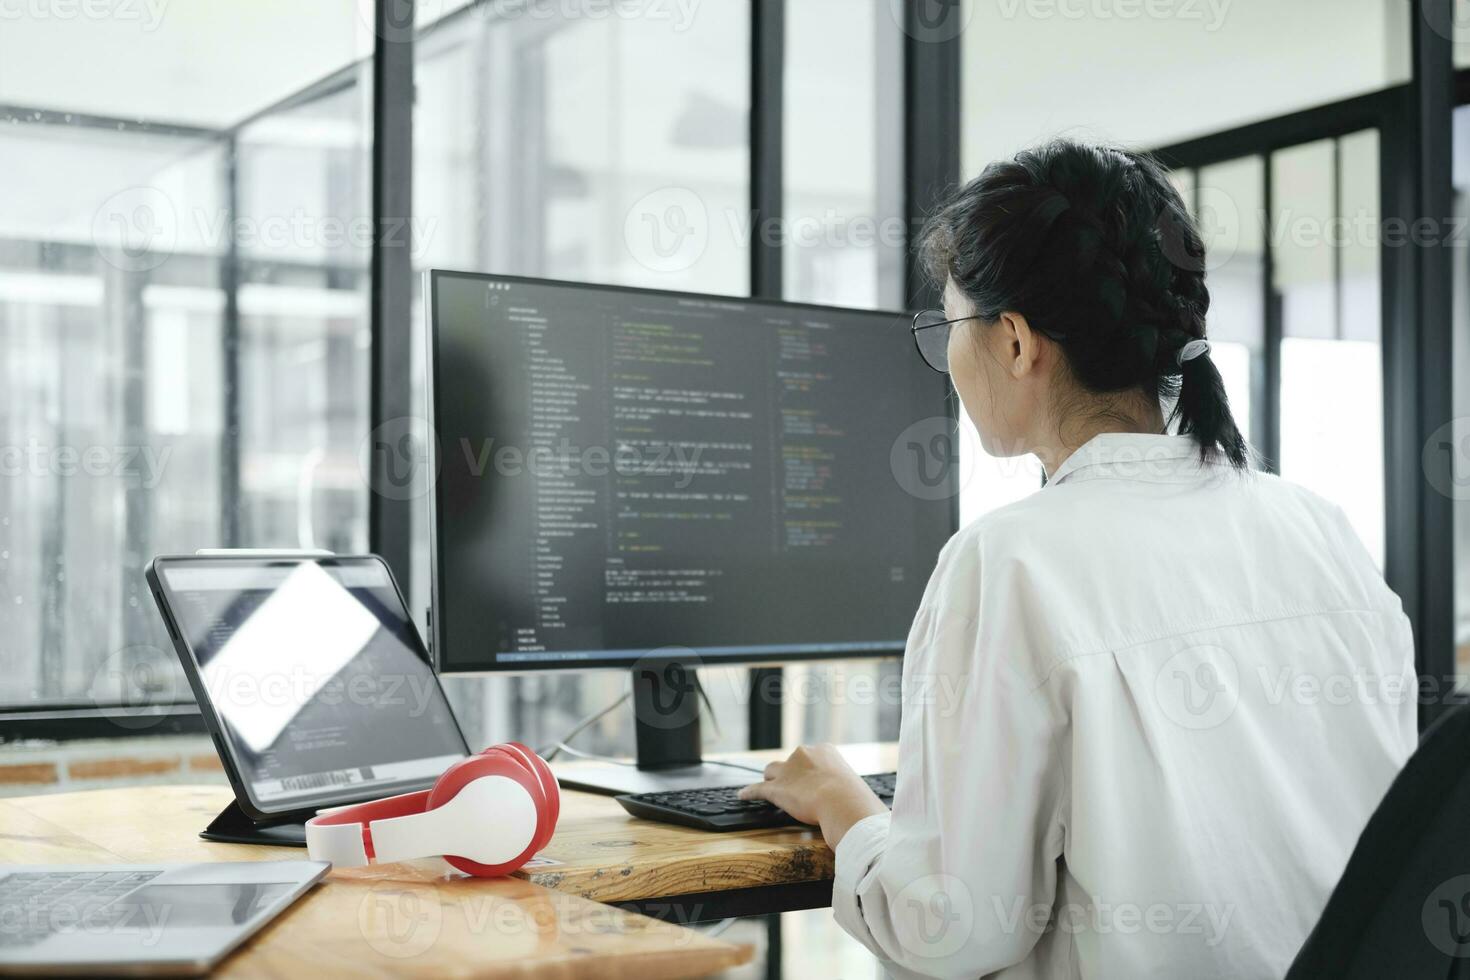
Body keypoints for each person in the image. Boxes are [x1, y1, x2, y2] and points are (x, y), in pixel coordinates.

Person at [738, 139, 1417, 979]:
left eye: (949, 325)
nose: (946, 357)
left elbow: (954, 928)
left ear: (1017, 343)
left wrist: (843, 805)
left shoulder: (1011, 560)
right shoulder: (1320, 529)